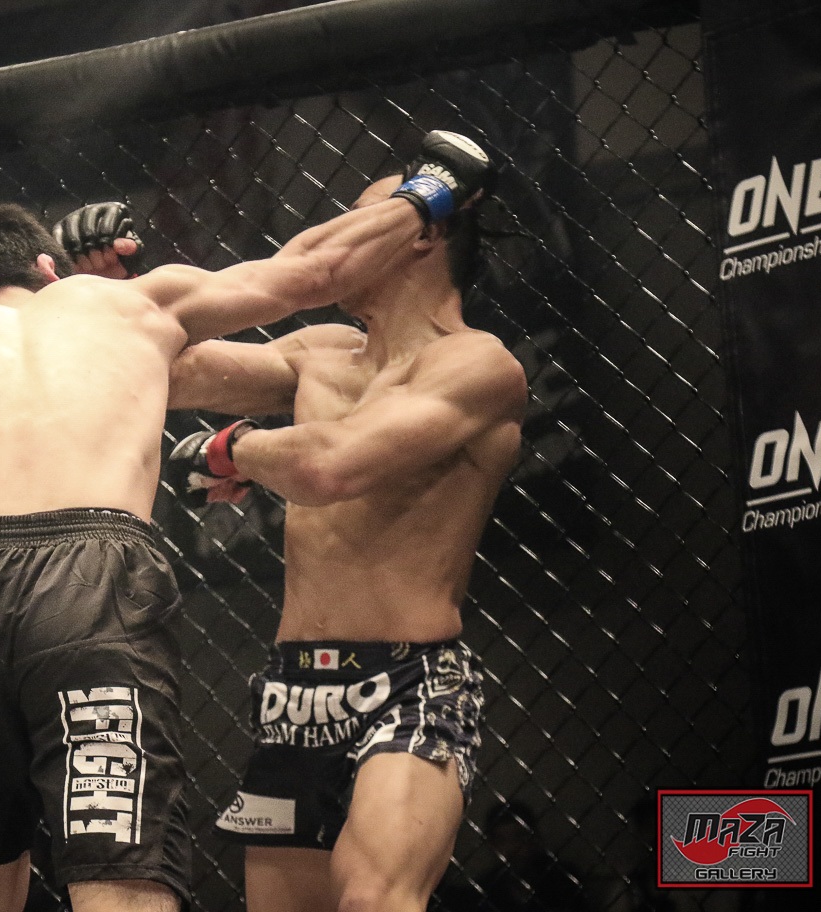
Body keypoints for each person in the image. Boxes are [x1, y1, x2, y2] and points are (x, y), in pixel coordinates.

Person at [0, 131, 491, 912]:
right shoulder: (179, 319)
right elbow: (295, 282)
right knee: (121, 872)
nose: (354, 230)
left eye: (372, 217)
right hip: (113, 593)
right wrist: (432, 190)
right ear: (47, 271)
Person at [159, 134, 526, 912]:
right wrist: (108, 296)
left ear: (421, 233)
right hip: (295, 691)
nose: (340, 240)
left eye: (363, 222)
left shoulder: (478, 366)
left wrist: (237, 449)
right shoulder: (320, 354)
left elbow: (333, 465)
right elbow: (169, 369)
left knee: (374, 901)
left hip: (410, 684)